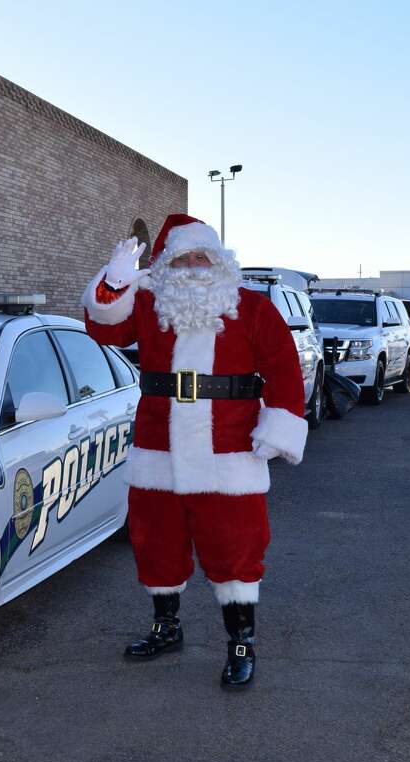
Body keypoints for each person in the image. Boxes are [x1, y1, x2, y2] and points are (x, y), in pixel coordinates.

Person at [81, 213, 307, 689]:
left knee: (237, 552)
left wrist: (279, 425)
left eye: (201, 256)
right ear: (165, 266)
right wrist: (114, 282)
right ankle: (166, 627)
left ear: (220, 262)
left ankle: (240, 644)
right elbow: (104, 329)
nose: (192, 265)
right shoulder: (149, 303)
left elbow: (285, 370)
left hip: (230, 455)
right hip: (157, 452)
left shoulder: (252, 309)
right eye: (181, 258)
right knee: (154, 542)